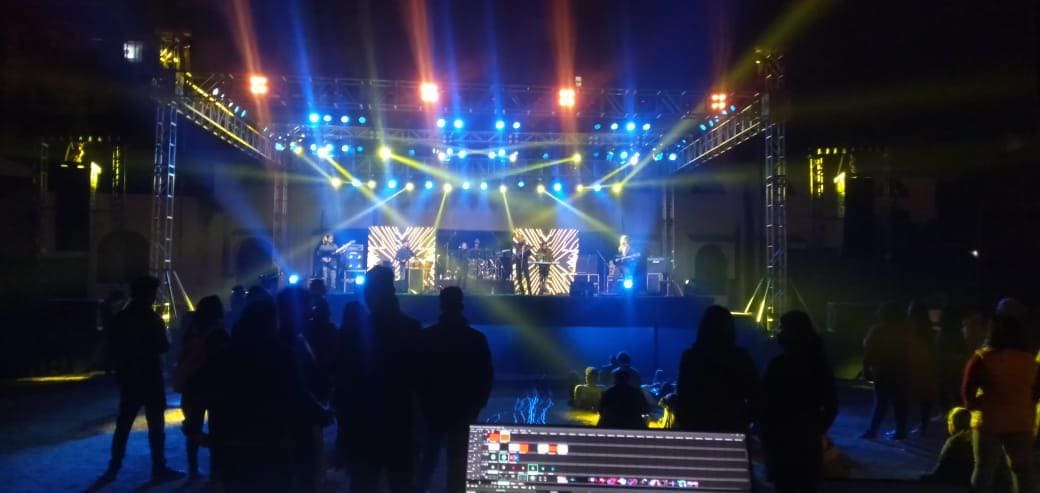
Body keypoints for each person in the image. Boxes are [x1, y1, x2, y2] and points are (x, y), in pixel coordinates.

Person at [209, 293, 330, 493]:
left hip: (234, 445)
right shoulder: (280, 353)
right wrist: (319, 413)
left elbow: (213, 396)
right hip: (272, 443)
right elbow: (295, 392)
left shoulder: (226, 354)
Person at [339, 265, 422, 493]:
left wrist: (344, 434)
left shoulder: (355, 333)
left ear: (370, 294)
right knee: (400, 483)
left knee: (363, 484)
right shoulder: (411, 328)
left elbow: (345, 387)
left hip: (365, 425)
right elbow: (421, 383)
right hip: (399, 423)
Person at [100, 276, 183, 482]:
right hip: (150, 376)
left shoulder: (121, 318)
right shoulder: (153, 319)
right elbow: (163, 346)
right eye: (153, 292)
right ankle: (159, 467)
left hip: (129, 376)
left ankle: (115, 464)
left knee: (124, 424)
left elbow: (112, 345)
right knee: (156, 426)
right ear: (148, 294)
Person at [416, 287, 494, 493]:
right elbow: (485, 376)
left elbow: (416, 374)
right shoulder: (475, 339)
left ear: (441, 305)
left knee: (426, 463)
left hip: (432, 409)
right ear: (461, 305)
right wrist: (476, 405)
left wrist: (420, 406)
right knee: (458, 466)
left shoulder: (427, 337)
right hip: (462, 411)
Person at [760, 311, 839, 493]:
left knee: (785, 485)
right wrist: (817, 430)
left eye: (782, 328)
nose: (778, 332)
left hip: (781, 440)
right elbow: (831, 405)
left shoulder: (778, 365)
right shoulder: (819, 365)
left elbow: (764, 402)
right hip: (806, 439)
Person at [963, 316, 1040, 493]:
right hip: (1021, 421)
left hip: (988, 421)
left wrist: (972, 406)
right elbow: (1037, 391)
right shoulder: (1030, 361)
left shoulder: (982, 358)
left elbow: (968, 387)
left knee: (983, 470)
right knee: (1022, 470)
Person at [676, 305, 760, 432]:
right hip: (731, 427)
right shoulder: (740, 358)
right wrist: (742, 419)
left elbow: (683, 397)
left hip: (697, 427)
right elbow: (757, 396)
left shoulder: (691, 357)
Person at [173, 295, 229, 480]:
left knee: (194, 429)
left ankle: (193, 470)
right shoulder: (219, 334)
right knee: (216, 429)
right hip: (213, 388)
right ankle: (216, 472)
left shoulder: (191, 330)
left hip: (191, 386)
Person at [921, 407, 1013, 490]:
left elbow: (940, 472)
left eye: (949, 421)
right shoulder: (988, 437)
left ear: (953, 423)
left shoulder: (955, 441)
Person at [861, 301, 910, 439]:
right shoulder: (905, 330)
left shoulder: (878, 330)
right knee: (900, 402)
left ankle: (872, 431)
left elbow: (869, 351)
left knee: (881, 402)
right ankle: (901, 431)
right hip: (901, 371)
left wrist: (866, 368)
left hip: (882, 371)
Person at [334, 301, 366, 469]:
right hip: (359, 390)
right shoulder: (365, 337)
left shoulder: (340, 335)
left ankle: (342, 459)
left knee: (345, 427)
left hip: (344, 390)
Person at [907, 298, 939, 437]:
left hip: (911, 366)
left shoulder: (908, 327)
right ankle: (923, 427)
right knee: (925, 399)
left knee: (907, 398)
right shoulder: (929, 329)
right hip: (927, 367)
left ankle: (905, 427)